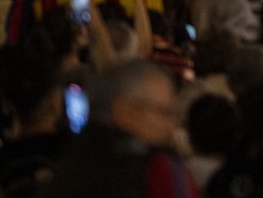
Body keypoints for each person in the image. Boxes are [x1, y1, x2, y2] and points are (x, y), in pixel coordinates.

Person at [40, 61, 199, 198]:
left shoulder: (62, 166)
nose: (172, 126)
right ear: (125, 111)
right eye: (164, 113)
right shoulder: (158, 173)